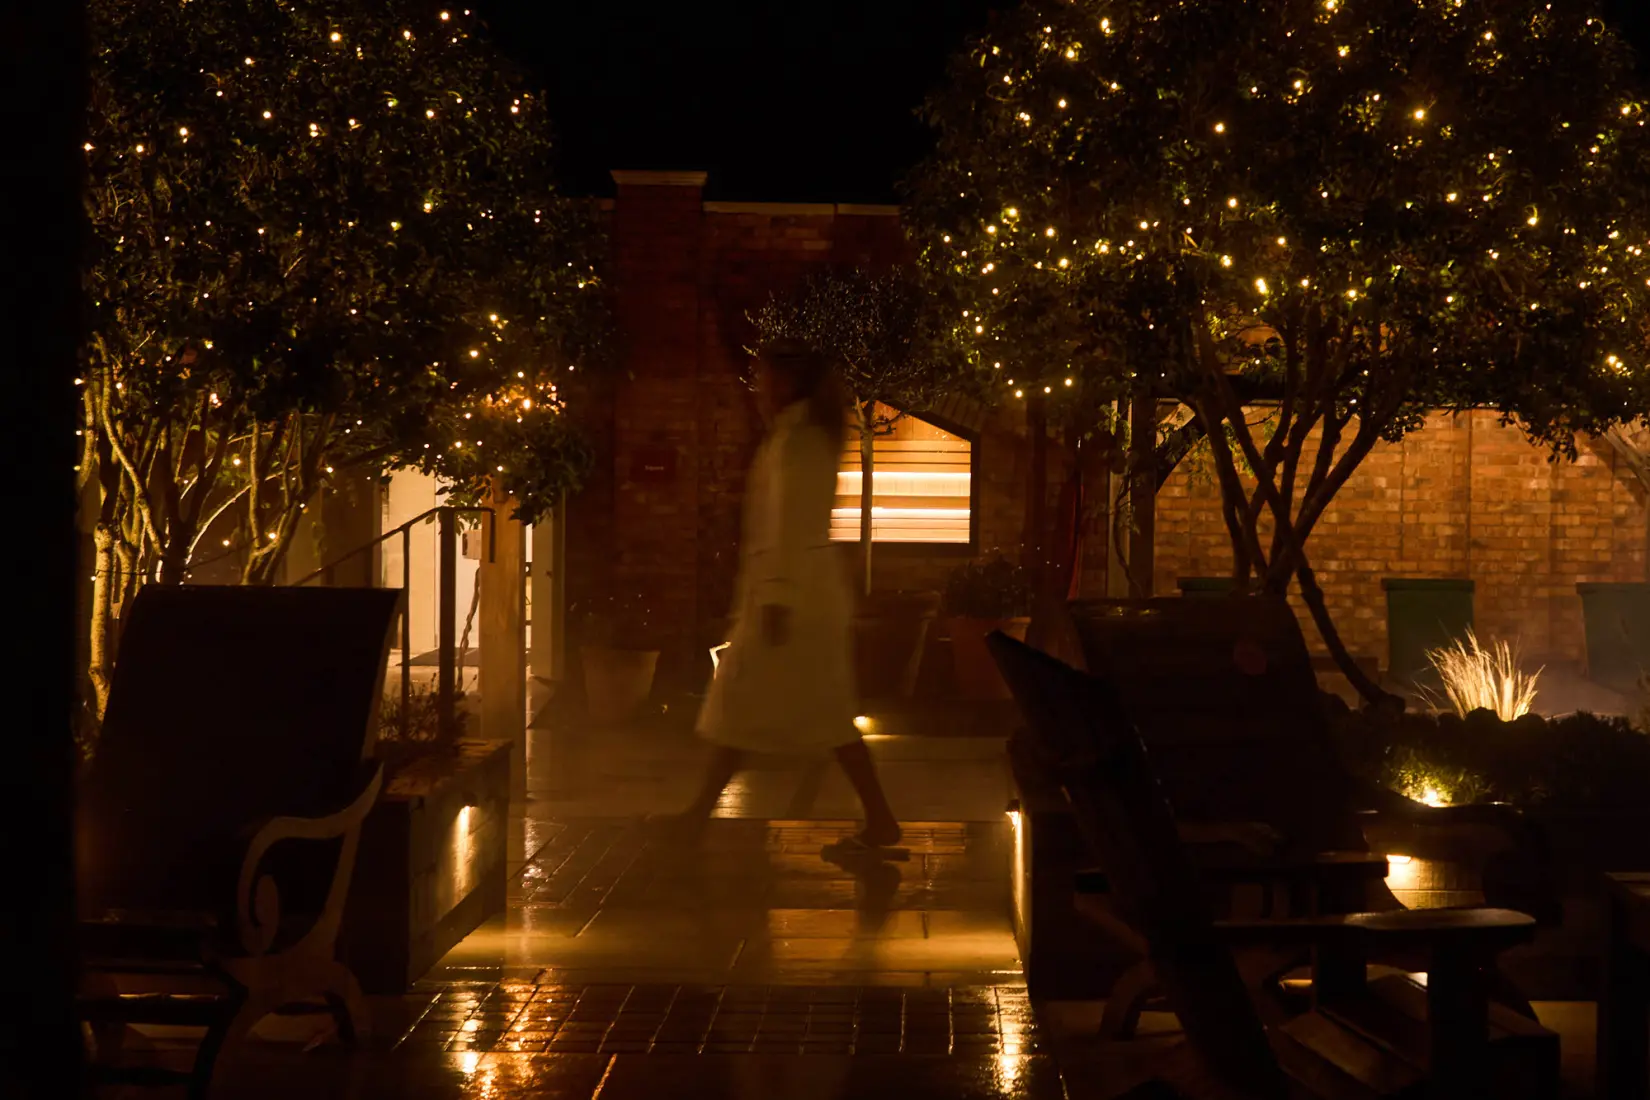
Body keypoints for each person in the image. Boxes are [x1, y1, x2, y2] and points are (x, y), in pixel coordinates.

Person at [677, 339, 901, 851]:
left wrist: (776, 597)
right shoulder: (798, 437)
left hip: (791, 601)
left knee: (749, 709)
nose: (757, 387)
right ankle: (696, 815)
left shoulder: (798, 443)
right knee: (796, 712)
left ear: (788, 381)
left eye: (765, 377)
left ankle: (695, 817)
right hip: (797, 595)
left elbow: (790, 524)